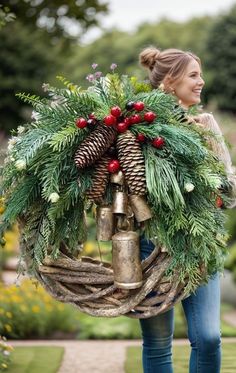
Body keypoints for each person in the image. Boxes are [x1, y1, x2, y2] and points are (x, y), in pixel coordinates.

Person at [138, 46, 236, 373]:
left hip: (200, 242)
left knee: (208, 337)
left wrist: (218, 182)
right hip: (151, 244)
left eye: (200, 74)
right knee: (157, 342)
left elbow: (230, 189)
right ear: (169, 81)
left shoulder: (206, 124)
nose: (201, 82)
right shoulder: (139, 127)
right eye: (193, 75)